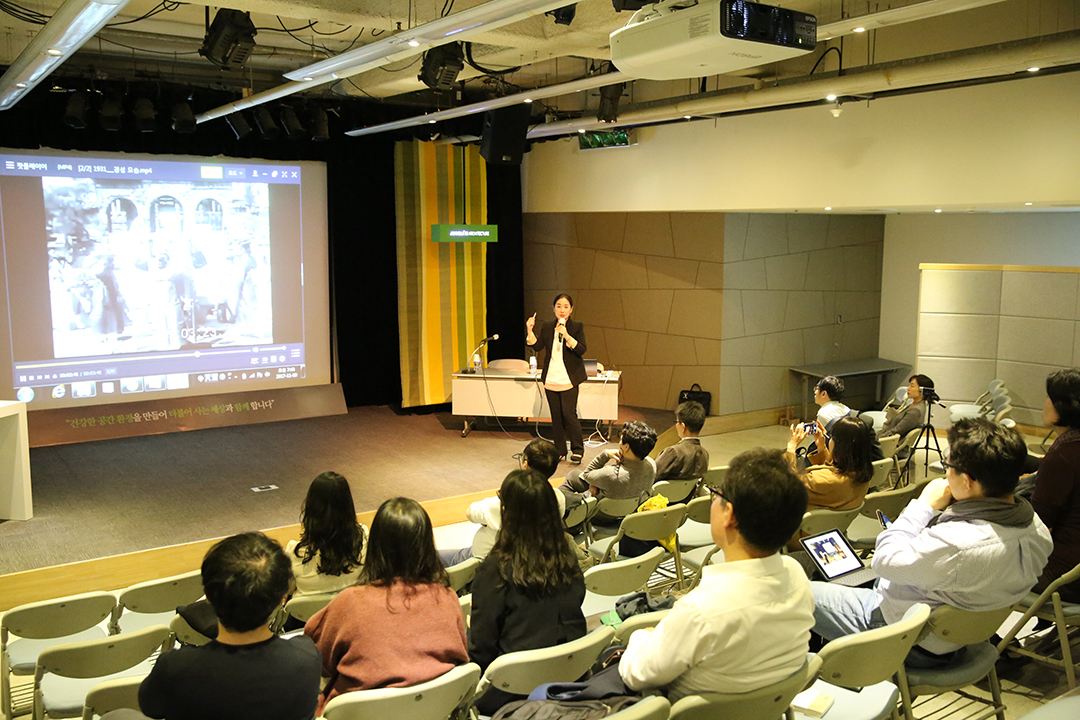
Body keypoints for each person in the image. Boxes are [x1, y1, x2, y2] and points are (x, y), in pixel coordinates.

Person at [810, 418, 1053, 666]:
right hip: (961, 634)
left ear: (967, 481)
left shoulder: (958, 544)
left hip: (908, 637)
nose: (946, 473)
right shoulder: (1037, 530)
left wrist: (923, 505)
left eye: (949, 466)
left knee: (799, 593)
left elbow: (883, 562)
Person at [618, 448, 814, 702]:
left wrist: (640, 635)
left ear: (729, 515)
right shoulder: (796, 576)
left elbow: (636, 674)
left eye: (716, 494)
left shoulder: (701, 609)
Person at [304, 498, 468, 714]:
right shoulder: (447, 597)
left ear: (376, 545)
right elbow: (460, 656)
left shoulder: (350, 603)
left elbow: (317, 658)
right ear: (427, 545)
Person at [133, 532, 321, 720]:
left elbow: (150, 708)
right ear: (282, 599)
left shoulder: (175, 668)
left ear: (208, 598)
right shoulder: (307, 657)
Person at [470, 469, 587, 715]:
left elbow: (483, 646)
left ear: (507, 512)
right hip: (571, 676)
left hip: (512, 689)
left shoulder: (495, 568)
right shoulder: (566, 556)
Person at [439, 438, 565, 566]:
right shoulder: (558, 498)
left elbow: (470, 513)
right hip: (533, 560)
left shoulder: (502, 504)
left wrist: (487, 520)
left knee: (430, 557)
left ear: (525, 465)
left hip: (485, 563)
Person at [1030, 368, 1080, 602]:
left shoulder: (1063, 455)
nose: (1045, 403)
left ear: (1065, 405)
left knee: (978, 565)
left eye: (1050, 397)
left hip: (1064, 577)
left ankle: (978, 636)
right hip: (1074, 569)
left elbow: (1038, 524)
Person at [526, 294, 588, 464]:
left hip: (568, 379)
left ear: (571, 309)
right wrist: (530, 331)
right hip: (551, 378)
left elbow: (582, 350)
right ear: (553, 308)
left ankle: (577, 450)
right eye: (559, 306)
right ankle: (560, 449)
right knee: (556, 416)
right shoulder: (547, 326)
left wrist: (566, 335)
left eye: (566, 306)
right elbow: (537, 346)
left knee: (569, 415)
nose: (562, 310)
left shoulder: (576, 327)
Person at [285, 471, 367, 596]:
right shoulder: (364, 538)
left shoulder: (294, 553)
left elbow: (285, 591)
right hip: (353, 613)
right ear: (348, 505)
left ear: (311, 507)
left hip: (306, 615)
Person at [559, 420, 657, 507]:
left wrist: (605, 454)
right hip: (628, 508)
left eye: (620, 440)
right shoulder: (652, 465)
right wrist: (597, 482)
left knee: (558, 495)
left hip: (598, 513)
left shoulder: (610, 474)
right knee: (573, 475)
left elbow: (587, 474)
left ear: (626, 447)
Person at [786, 416, 874, 511]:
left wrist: (791, 448)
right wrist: (821, 447)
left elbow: (787, 484)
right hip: (835, 525)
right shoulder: (863, 476)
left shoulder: (817, 481)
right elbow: (829, 475)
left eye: (832, 437)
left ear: (839, 446)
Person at [653, 401, 710, 501]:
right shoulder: (705, 454)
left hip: (663, 504)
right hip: (685, 504)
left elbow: (652, 476)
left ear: (683, 427)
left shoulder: (673, 452)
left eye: (677, 422)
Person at [878, 374, 936, 444]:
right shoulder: (916, 405)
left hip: (889, 444)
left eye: (912, 386)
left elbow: (896, 432)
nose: (908, 389)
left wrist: (875, 439)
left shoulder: (915, 411)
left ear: (922, 390)